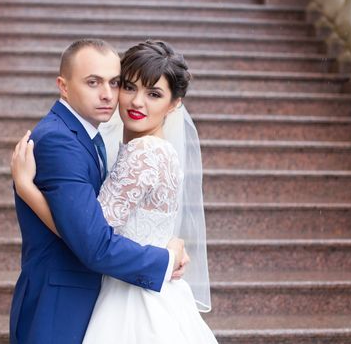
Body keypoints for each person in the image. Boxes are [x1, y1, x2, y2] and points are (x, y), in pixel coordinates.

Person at [12, 40, 217, 343]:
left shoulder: (144, 152)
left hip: (132, 298)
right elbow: (93, 238)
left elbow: (91, 238)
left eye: (154, 94)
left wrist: (27, 189)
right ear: (63, 86)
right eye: (130, 87)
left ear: (174, 104)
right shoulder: (81, 141)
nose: (135, 102)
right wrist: (165, 255)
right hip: (109, 289)